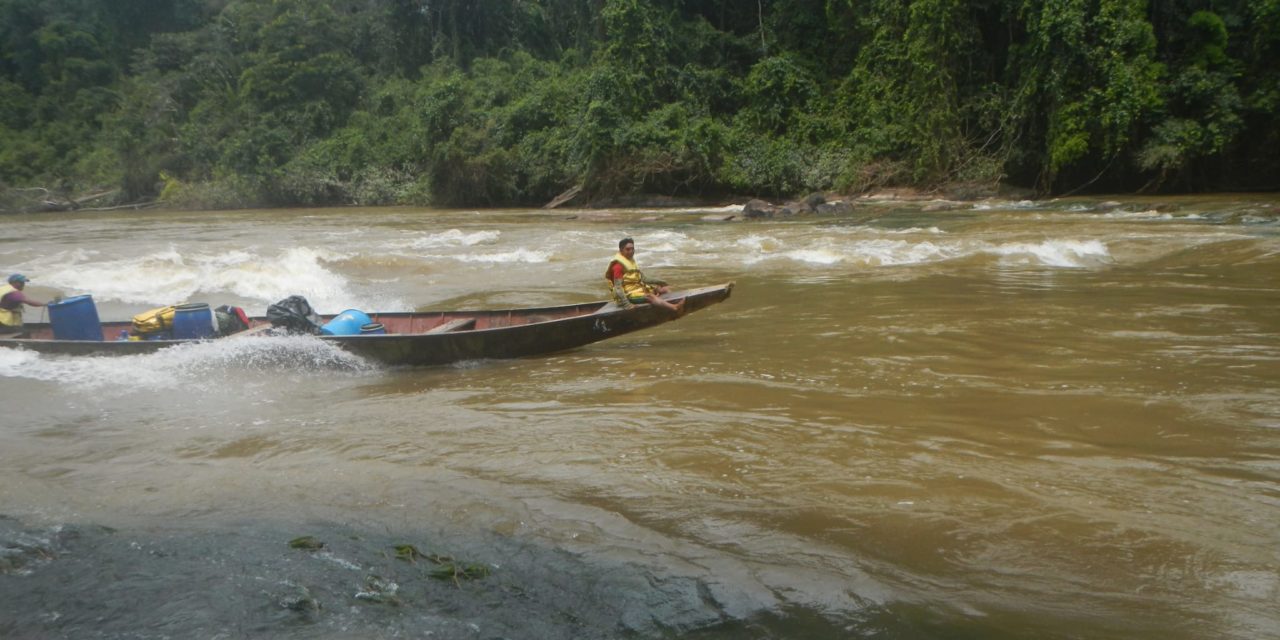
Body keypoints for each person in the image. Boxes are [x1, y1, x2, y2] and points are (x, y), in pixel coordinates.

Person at [605, 238, 684, 313]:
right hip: (629, 296)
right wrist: (627, 305)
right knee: (650, 297)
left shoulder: (631, 261)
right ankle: (674, 307)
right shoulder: (618, 266)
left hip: (639, 289)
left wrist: (661, 282)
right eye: (628, 249)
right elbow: (618, 288)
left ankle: (675, 303)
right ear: (621, 250)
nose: (631, 251)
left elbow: (644, 279)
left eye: (632, 249)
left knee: (664, 289)